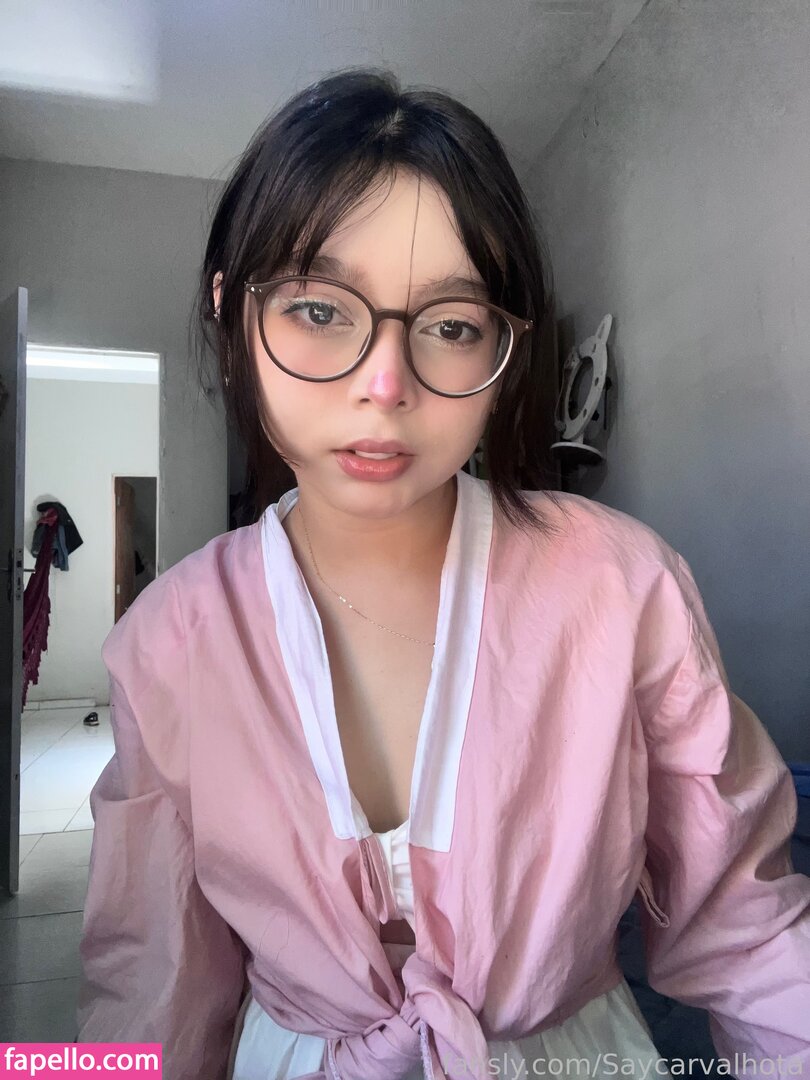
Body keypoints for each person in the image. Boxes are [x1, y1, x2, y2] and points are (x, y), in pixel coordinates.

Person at [75, 69, 810, 1080]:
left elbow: (751, 933)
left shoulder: (620, 589)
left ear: (506, 348)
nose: (385, 386)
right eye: (319, 309)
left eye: (453, 326)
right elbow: (146, 991)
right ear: (231, 312)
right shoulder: (170, 640)